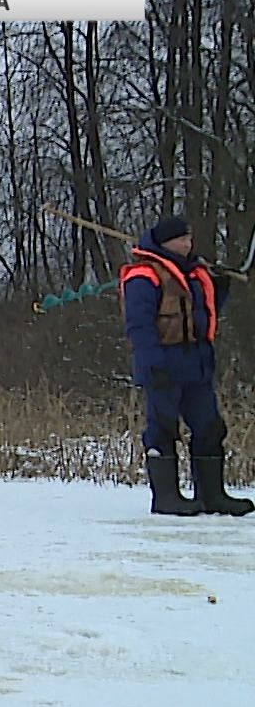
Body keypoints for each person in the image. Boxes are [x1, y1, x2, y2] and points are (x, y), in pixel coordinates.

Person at [120, 215, 252, 517]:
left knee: (209, 427)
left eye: (189, 238)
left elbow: (203, 313)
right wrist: (152, 363)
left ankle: (212, 495)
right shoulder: (144, 275)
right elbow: (139, 324)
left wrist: (220, 286)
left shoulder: (193, 272)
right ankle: (167, 497)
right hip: (162, 361)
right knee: (163, 428)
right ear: (167, 242)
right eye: (182, 239)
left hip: (196, 362)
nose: (188, 244)